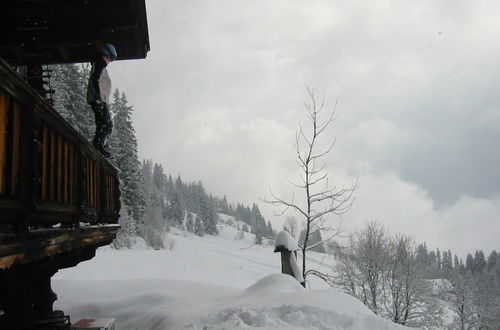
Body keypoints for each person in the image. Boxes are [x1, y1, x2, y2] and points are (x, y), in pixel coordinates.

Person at [87, 43, 117, 158]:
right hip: (98, 99)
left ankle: (100, 144)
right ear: (106, 54)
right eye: (110, 58)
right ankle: (99, 145)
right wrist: (98, 97)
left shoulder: (100, 64)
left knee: (105, 123)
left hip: (100, 99)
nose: (110, 61)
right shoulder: (99, 63)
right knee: (105, 123)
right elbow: (95, 79)